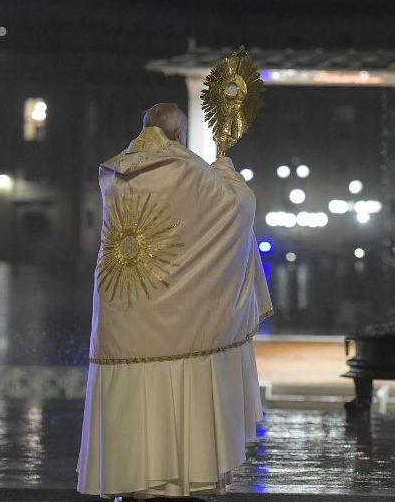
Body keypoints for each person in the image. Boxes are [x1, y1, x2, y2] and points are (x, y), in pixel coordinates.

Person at [77, 103, 272, 501]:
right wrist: (226, 170)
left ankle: (126, 480)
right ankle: (178, 480)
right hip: (176, 318)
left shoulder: (114, 173)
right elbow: (236, 209)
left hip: (121, 312)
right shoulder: (187, 170)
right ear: (179, 135)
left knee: (128, 397)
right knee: (180, 383)